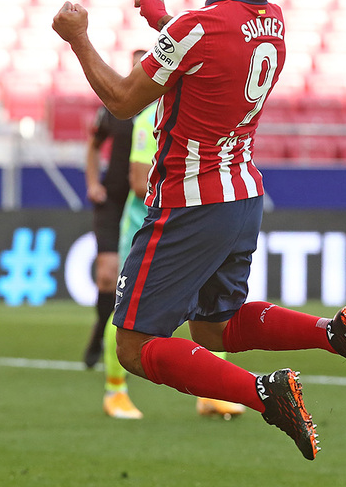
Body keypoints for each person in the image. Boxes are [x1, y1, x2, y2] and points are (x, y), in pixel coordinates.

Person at [53, 0, 346, 460]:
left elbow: (121, 99)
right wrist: (164, 22)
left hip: (188, 202)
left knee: (136, 347)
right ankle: (333, 333)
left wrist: (78, 37)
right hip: (242, 195)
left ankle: (266, 393)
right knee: (214, 329)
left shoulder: (196, 28)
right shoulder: (273, 23)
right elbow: (215, 54)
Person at [103, 101, 245, 420]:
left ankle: (212, 393)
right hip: (150, 227)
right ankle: (115, 391)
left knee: (212, 305)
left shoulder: (202, 109)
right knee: (128, 310)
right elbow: (140, 183)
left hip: (193, 224)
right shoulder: (150, 117)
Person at [81, 50, 144, 369]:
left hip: (143, 201)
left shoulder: (162, 107)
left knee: (128, 277)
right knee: (107, 276)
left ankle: (116, 344)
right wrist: (93, 181)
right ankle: (99, 338)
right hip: (113, 199)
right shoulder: (115, 107)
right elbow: (93, 145)